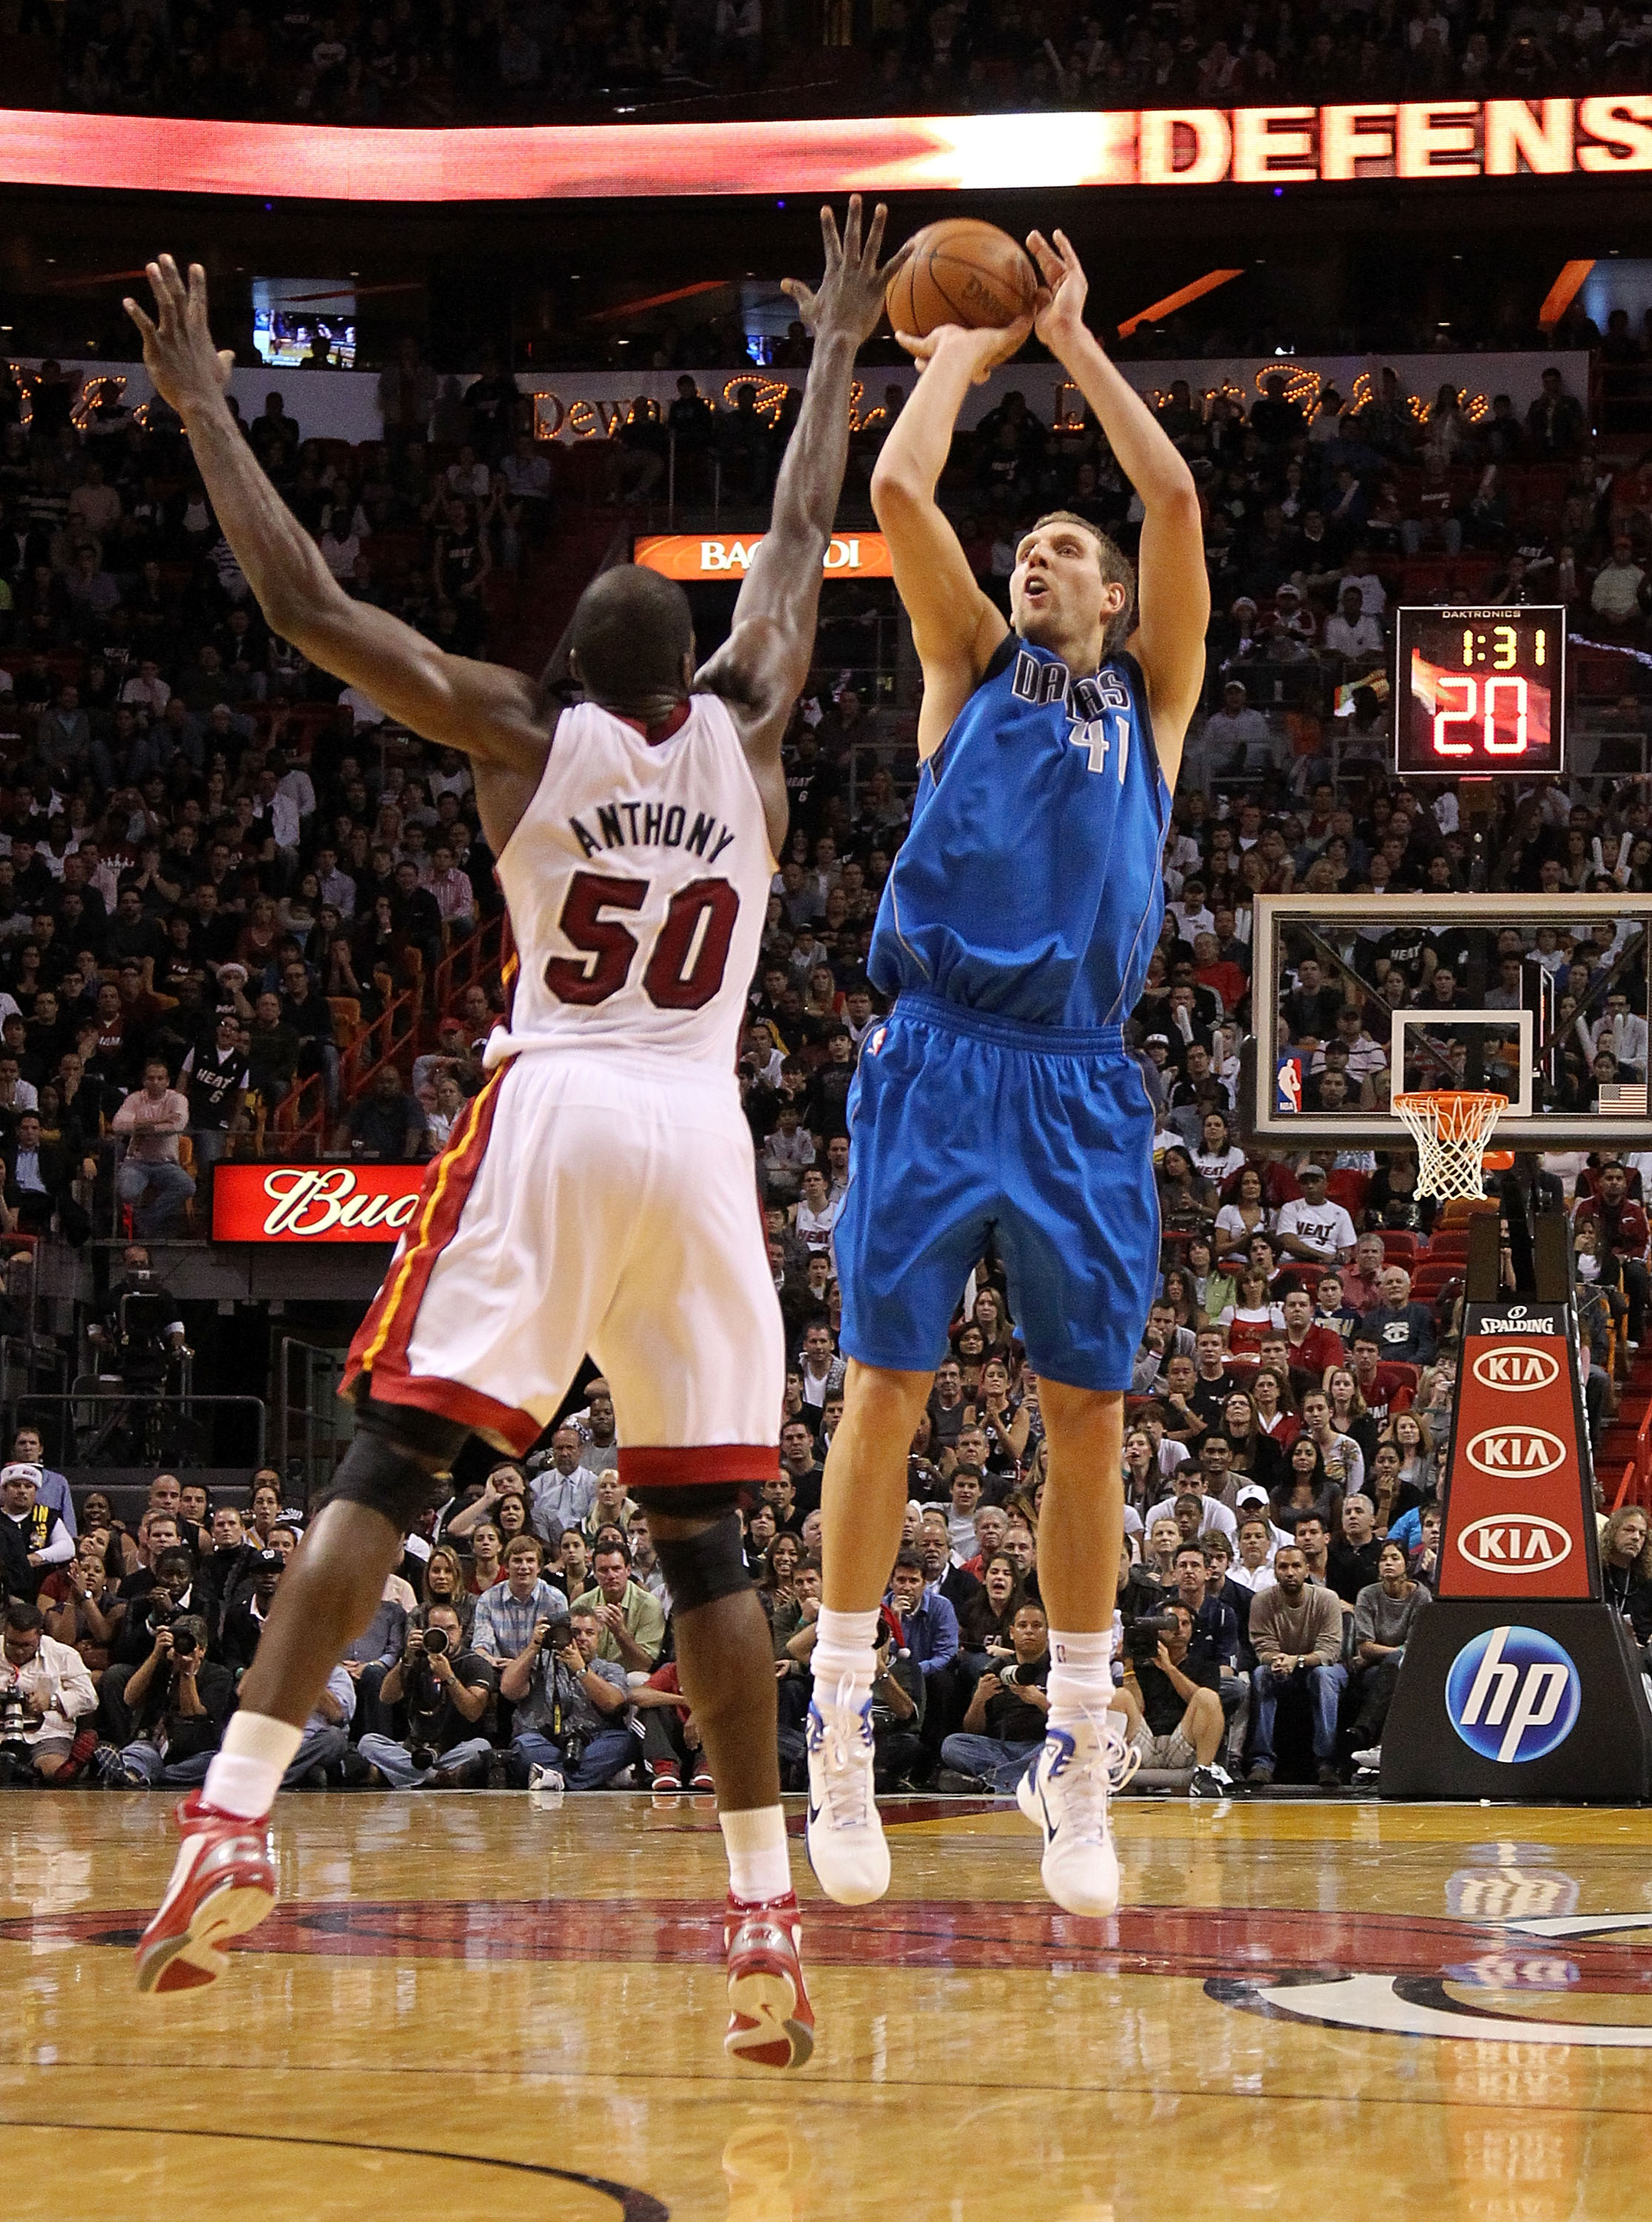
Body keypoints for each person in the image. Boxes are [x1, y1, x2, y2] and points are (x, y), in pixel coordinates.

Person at [125, 210, 906, 2071]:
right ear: (688, 674)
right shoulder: (753, 729)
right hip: (704, 1137)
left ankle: (232, 1805)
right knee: (706, 1537)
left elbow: (309, 604)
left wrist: (202, 408)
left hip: (560, 1095)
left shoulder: (514, 735)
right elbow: (796, 542)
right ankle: (756, 1908)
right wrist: (831, 352)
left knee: (387, 1465)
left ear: (567, 672)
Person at [811, 226, 1207, 1920]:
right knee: (883, 1389)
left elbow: (1173, 499)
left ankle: (1071, 1740)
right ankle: (832, 1721)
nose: (1041, 556)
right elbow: (900, 494)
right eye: (1029, 545)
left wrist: (1069, 332)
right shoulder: (967, 669)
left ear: (1110, 599)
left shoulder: (1154, 703)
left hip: (1075, 1076)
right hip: (940, 1052)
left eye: (1066, 549)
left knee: (1082, 1414)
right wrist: (964, 349)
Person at [1246, 1543, 1347, 1787]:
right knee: (1261, 1674)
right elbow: (1262, 1648)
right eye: (1283, 1567)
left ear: (1307, 1570)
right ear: (1275, 1571)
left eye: (1295, 1566)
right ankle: (1262, 1762)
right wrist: (1279, 1661)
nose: (1289, 1572)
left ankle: (1327, 1762)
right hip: (1282, 1667)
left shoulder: (1327, 1599)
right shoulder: (1262, 1601)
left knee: (1323, 1676)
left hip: (1322, 1668)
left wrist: (1297, 1661)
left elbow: (1330, 1652)